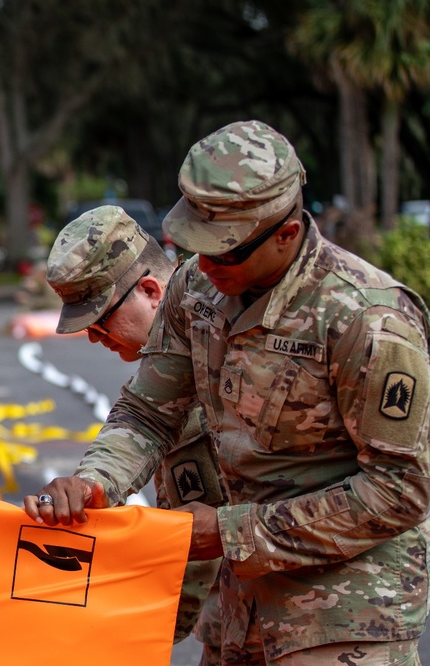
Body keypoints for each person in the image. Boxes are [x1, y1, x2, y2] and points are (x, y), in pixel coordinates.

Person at [25, 120, 430, 664]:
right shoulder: (195, 289)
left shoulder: (367, 318)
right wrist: (96, 484)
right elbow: (148, 412)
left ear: (286, 234)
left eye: (225, 251)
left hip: (346, 612)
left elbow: (402, 489)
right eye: (194, 244)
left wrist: (230, 533)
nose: (204, 265)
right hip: (241, 608)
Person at [45, 205, 225, 661]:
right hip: (236, 623)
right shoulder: (169, 371)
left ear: (150, 290)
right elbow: (143, 418)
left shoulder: (234, 337)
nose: (94, 339)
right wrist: (91, 486)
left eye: (101, 320)